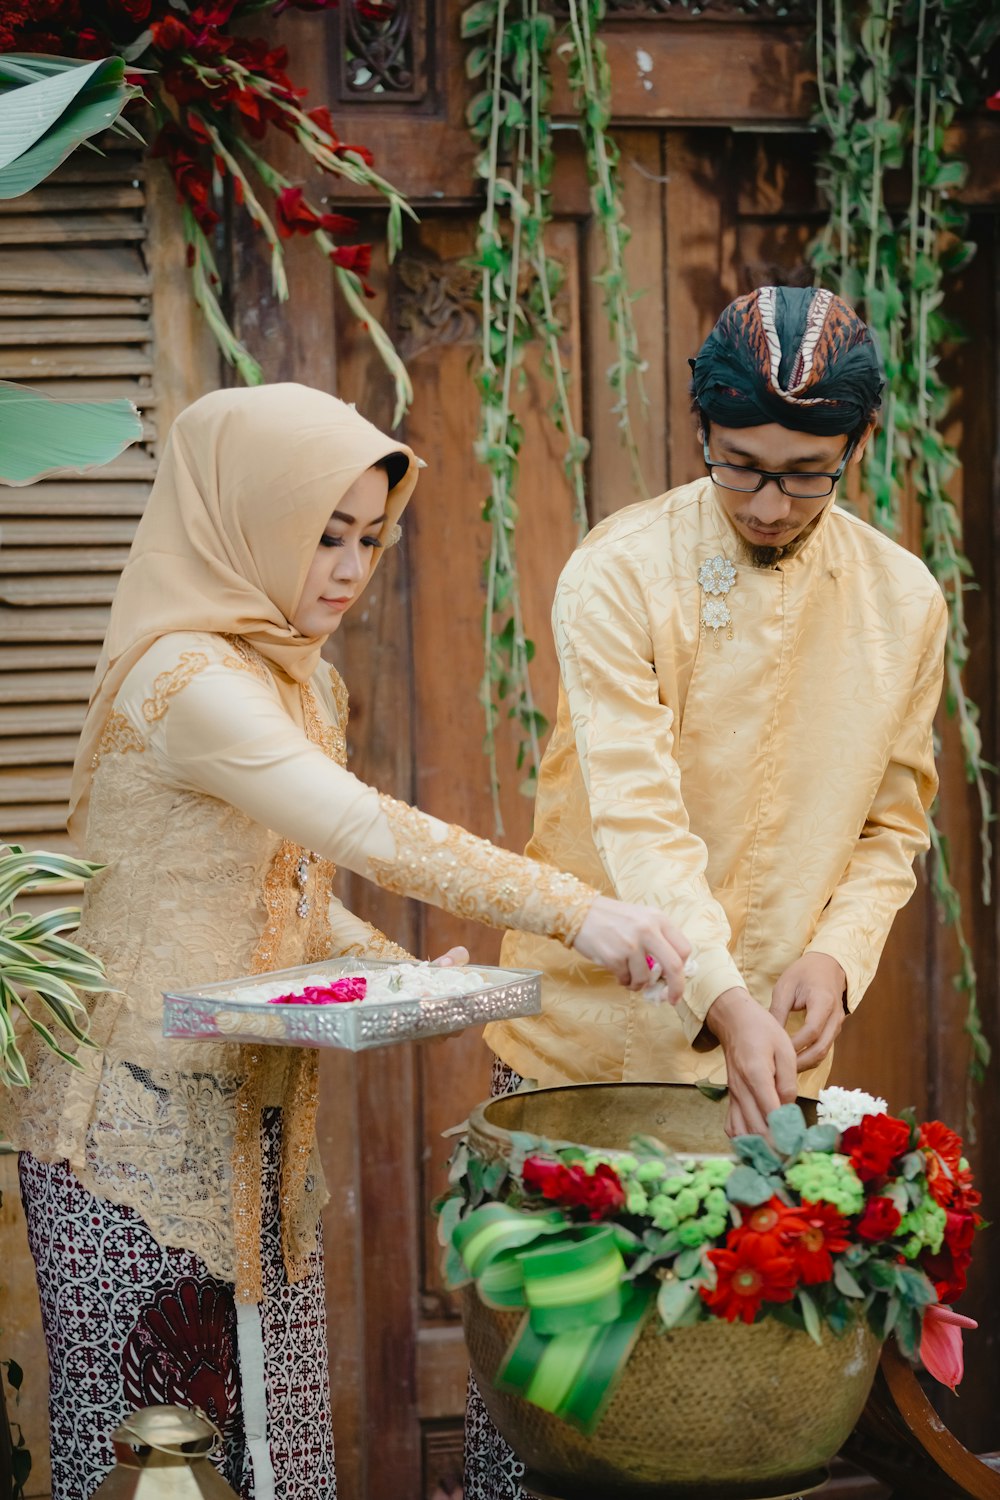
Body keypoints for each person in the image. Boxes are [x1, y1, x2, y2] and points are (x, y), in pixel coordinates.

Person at [0, 386, 691, 1500]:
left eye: (369, 537)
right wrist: (579, 911)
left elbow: (292, 887)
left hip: (260, 1134)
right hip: (128, 1146)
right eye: (322, 534)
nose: (348, 566)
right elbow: (361, 828)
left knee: (282, 1458)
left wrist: (402, 971)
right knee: (163, 1467)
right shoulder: (183, 680)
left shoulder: (300, 680)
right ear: (244, 519)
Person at [465, 285, 947, 1499]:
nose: (772, 505)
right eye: (741, 471)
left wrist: (836, 955)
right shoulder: (619, 571)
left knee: (731, 1414)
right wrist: (722, 996)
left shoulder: (904, 602)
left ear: (856, 451)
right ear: (698, 434)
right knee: (560, 1413)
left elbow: (895, 821)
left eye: (805, 474)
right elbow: (640, 824)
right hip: (588, 1055)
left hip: (769, 1066)